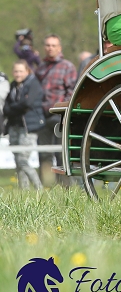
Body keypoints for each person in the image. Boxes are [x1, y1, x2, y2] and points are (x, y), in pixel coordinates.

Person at [34, 35, 77, 179]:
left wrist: (62, 109)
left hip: (60, 116)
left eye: (53, 45)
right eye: (47, 45)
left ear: (59, 48)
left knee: (61, 153)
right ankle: (46, 185)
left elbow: (72, 92)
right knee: (44, 153)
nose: (50, 48)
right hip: (42, 117)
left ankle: (65, 186)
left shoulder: (67, 66)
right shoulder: (40, 68)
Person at [3, 60, 44, 189]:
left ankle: (39, 188)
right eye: (15, 71)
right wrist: (16, 107)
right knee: (17, 161)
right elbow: (6, 107)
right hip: (14, 127)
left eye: (21, 71)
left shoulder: (34, 84)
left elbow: (27, 103)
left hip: (29, 128)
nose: (18, 74)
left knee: (23, 160)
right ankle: (24, 191)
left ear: (27, 71)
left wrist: (13, 107)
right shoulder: (13, 86)